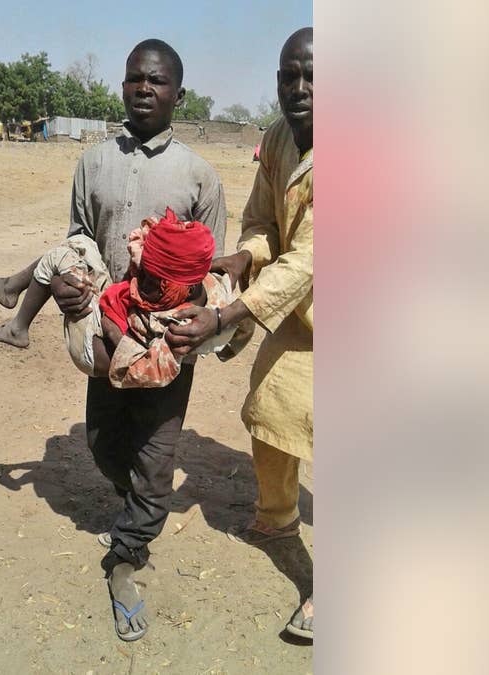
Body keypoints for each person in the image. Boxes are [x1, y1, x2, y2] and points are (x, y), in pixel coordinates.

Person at [46, 38, 228, 641]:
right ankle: (133, 508)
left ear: (178, 92)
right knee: (102, 442)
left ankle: (125, 558)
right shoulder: (92, 163)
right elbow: (78, 241)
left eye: (156, 81)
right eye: (134, 79)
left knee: (155, 459)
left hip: (164, 344)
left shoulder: (198, 175)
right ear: (123, 86)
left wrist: (193, 318)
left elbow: (210, 273)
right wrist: (74, 285)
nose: (143, 90)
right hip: (106, 331)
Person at [166, 27, 315, 640]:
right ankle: (277, 517)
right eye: (289, 75)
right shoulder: (279, 137)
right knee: (271, 409)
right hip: (304, 315)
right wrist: (242, 258)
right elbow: (262, 223)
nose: (300, 88)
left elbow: (310, 258)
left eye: (314, 75)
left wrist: (229, 314)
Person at [0, 209, 237, 382]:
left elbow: (152, 370)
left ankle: (16, 321)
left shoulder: (186, 325)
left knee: (61, 256)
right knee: (81, 243)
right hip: (110, 308)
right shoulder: (193, 283)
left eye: (155, 280)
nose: (145, 283)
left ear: (183, 286)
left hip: (93, 348)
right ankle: (12, 291)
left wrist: (114, 332)